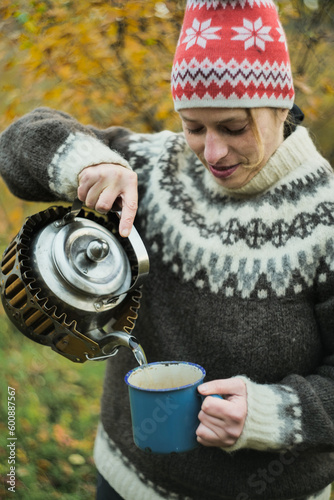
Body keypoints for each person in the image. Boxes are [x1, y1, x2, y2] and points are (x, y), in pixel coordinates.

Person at [1, 0, 334, 499]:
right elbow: (17, 143)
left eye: (234, 128)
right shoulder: (150, 168)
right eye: (194, 127)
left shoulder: (325, 217)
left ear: (281, 106)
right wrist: (90, 164)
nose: (213, 153)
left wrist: (274, 414)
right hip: (124, 478)